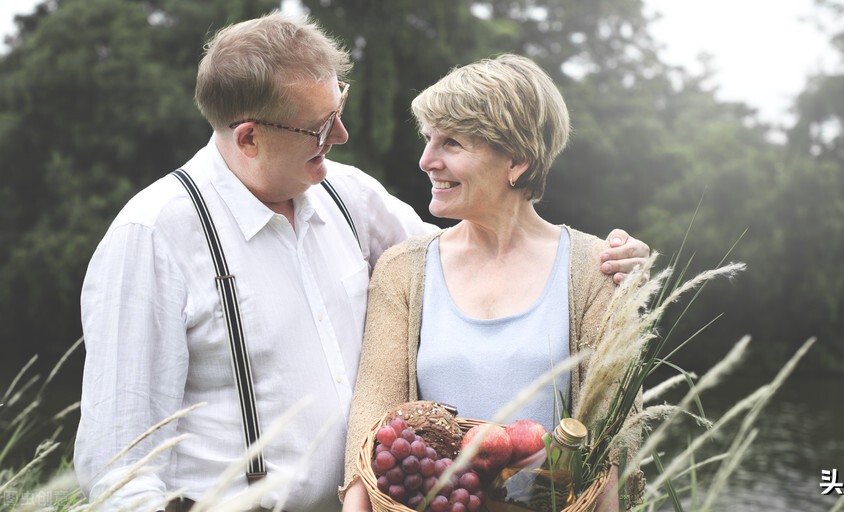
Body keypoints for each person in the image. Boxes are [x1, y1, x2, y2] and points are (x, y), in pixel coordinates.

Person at [74, 12, 647, 512]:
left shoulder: (346, 196)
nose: (343, 135)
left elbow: (474, 256)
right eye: (322, 127)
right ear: (248, 138)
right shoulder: (152, 237)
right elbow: (117, 464)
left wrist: (613, 262)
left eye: (339, 105)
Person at [341, 54, 643, 510]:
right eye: (428, 140)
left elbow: (611, 449)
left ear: (518, 161)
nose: (426, 160)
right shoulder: (403, 270)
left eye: (452, 144)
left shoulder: (596, 271)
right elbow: (371, 428)